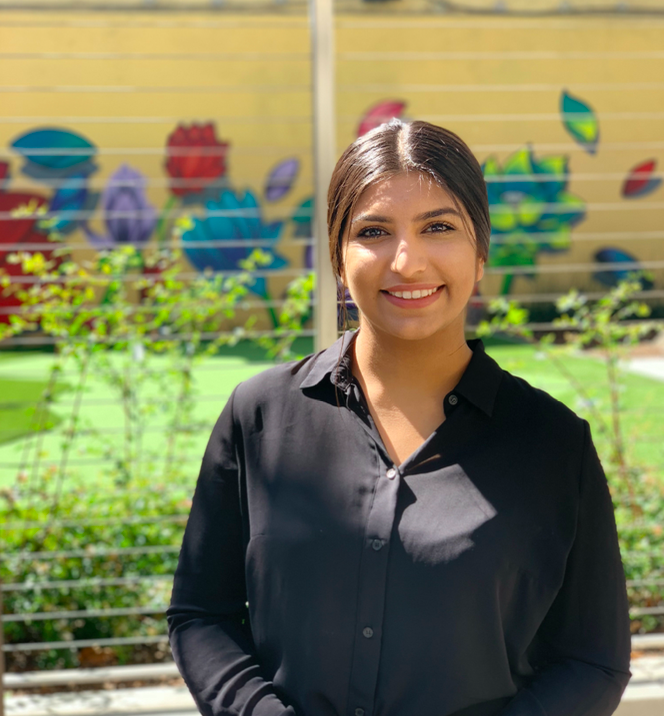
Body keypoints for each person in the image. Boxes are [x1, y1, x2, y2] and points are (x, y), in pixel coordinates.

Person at [167, 119, 632, 716]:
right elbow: (201, 615)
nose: (406, 262)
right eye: (374, 231)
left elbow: (592, 659)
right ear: (339, 257)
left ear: (481, 250)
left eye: (439, 226)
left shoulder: (552, 443)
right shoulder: (258, 415)